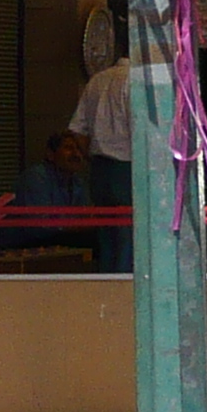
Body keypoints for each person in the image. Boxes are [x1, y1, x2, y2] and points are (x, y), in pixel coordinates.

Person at [68, 50, 135, 267]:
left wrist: (91, 154)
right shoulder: (135, 81)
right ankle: (125, 293)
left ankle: (107, 287)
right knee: (130, 239)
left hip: (99, 169)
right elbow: (141, 131)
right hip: (128, 167)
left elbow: (77, 129)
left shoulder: (97, 80)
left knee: (106, 237)